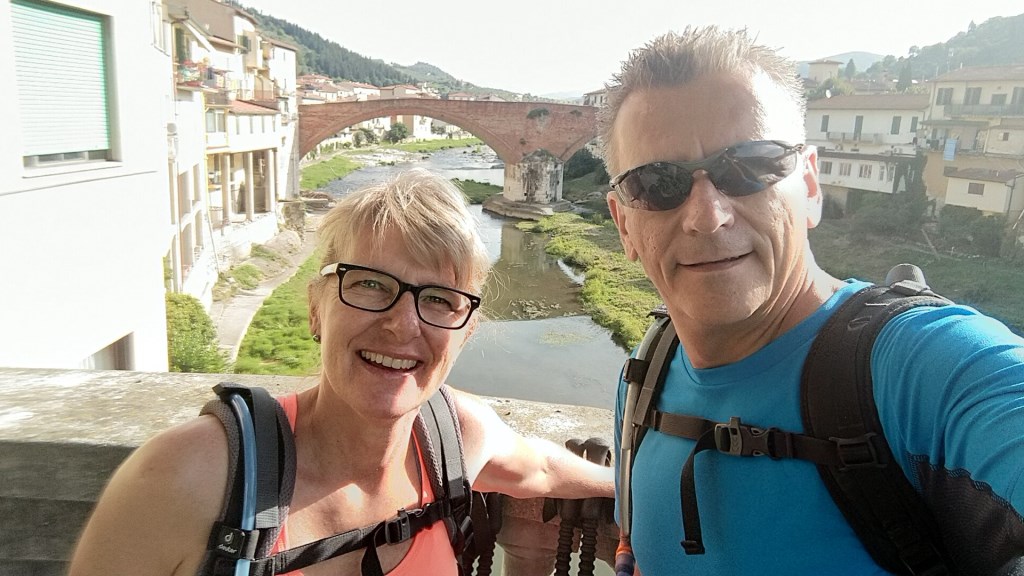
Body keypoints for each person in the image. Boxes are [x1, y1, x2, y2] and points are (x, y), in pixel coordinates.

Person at [600, 27, 1024, 575]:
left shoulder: (924, 368)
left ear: (810, 186)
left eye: (749, 166)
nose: (708, 216)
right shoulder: (644, 377)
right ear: (623, 225)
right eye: (657, 184)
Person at [69, 168, 615, 575]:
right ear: (316, 307)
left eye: (439, 299)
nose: (402, 326)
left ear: (465, 332)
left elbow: (540, 468)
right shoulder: (187, 477)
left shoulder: (457, 435)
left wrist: (634, 488)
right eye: (370, 284)